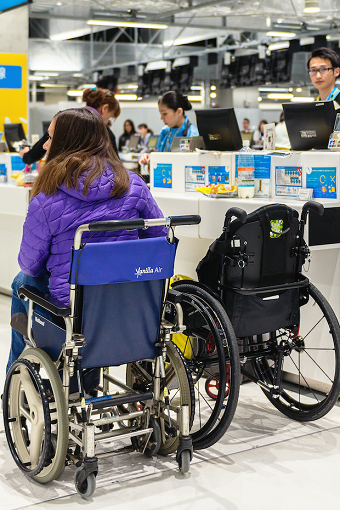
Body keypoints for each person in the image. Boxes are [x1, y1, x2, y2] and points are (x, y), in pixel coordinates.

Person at [7, 108, 166, 371]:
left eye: (50, 137)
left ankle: (16, 374)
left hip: (74, 306)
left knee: (21, 281)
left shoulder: (47, 199)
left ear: (65, 143)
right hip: (131, 300)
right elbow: (158, 239)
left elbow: (30, 264)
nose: (45, 145)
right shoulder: (135, 185)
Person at [19, 87, 121, 164]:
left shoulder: (65, 121)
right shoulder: (104, 131)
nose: (108, 121)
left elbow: (36, 153)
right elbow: (116, 167)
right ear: (105, 108)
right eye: (111, 115)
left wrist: (26, 155)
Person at [139, 90, 199, 166]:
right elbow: (159, 158)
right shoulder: (164, 132)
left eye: (165, 114)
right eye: (161, 114)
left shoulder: (193, 134)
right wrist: (150, 158)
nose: (161, 118)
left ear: (179, 112)